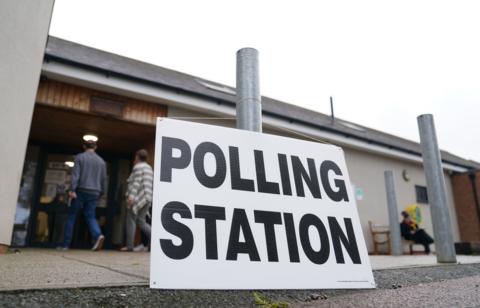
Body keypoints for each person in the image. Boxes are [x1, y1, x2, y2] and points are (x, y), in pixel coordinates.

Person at [59, 140, 107, 251]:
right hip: (95, 191)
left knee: (72, 216)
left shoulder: (80, 157)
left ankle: (66, 245)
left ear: (84, 146)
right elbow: (104, 179)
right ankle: (98, 234)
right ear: (96, 147)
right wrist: (102, 192)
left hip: (81, 190)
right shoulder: (101, 161)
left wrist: (72, 189)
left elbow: (75, 175)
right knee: (90, 216)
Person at [120, 149, 153, 252]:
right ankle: (156, 240)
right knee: (141, 221)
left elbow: (136, 182)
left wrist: (131, 197)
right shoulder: (149, 168)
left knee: (131, 219)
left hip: (138, 197)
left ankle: (129, 246)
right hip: (147, 197)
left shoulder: (138, 167)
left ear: (137, 157)